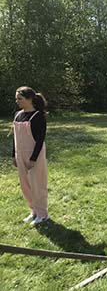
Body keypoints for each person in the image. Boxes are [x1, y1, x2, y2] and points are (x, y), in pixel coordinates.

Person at [12, 86, 49, 225]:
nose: (17, 101)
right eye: (16, 98)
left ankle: (43, 214)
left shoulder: (38, 116)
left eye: (20, 98)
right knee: (25, 184)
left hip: (35, 155)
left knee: (37, 184)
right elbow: (14, 138)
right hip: (19, 154)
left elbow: (40, 140)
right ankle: (33, 211)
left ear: (30, 99)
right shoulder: (17, 115)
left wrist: (33, 159)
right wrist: (13, 155)